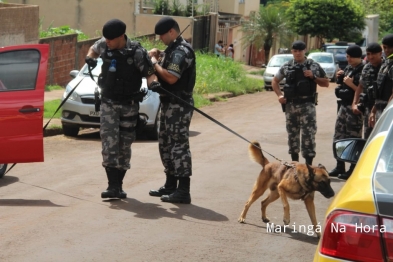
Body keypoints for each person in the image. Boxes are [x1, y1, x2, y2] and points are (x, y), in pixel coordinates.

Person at [85, 19, 158, 199]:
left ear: (120, 37)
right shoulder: (104, 44)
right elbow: (93, 49)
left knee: (124, 144)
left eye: (110, 39)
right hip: (108, 102)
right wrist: (90, 58)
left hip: (129, 105)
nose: (107, 42)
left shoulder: (137, 52)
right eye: (105, 39)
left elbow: (149, 74)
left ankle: (119, 184)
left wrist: (154, 84)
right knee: (109, 142)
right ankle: (112, 185)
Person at [148, 17, 196, 204]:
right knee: (165, 144)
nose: (160, 38)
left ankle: (183, 190)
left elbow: (171, 78)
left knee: (179, 146)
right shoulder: (172, 50)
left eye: (162, 35)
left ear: (171, 32)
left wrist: (154, 62)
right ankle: (170, 184)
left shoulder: (181, 51)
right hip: (168, 103)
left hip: (179, 105)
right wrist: (159, 54)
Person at [272, 40, 329, 165]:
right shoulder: (287, 66)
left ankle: (308, 165)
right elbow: (275, 81)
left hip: (307, 105)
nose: (298, 53)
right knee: (292, 135)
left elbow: (326, 83)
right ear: (292, 51)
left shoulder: (312, 65)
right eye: (295, 51)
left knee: (308, 134)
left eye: (300, 51)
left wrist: (313, 76)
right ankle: (294, 165)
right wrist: (279, 95)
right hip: (290, 105)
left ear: (305, 51)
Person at [329, 45, 365, 180]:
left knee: (353, 138)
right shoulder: (349, 69)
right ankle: (340, 165)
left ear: (357, 57)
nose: (347, 59)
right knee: (339, 137)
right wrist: (340, 77)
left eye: (350, 57)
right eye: (347, 56)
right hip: (343, 107)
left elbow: (364, 92)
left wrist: (351, 85)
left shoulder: (363, 70)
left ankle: (353, 168)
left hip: (354, 109)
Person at [352, 43, 383, 139]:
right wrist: (354, 103)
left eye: (373, 54)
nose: (370, 57)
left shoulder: (386, 67)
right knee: (368, 137)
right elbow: (360, 86)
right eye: (368, 54)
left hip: (382, 108)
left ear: (380, 54)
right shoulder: (367, 67)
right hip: (368, 109)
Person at [369, 34, 393, 128]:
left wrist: (387, 112)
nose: (386, 50)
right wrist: (373, 111)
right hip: (381, 109)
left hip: (389, 112)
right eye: (385, 47)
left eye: (389, 48)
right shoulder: (386, 63)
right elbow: (380, 89)